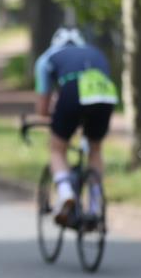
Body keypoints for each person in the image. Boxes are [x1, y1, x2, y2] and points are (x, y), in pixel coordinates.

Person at [31, 27, 118, 226]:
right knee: (95, 148)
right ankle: (95, 204)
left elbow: (42, 109)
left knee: (56, 148)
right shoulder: (96, 53)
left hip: (72, 90)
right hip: (105, 94)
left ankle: (65, 193)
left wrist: (58, 116)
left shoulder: (47, 58)